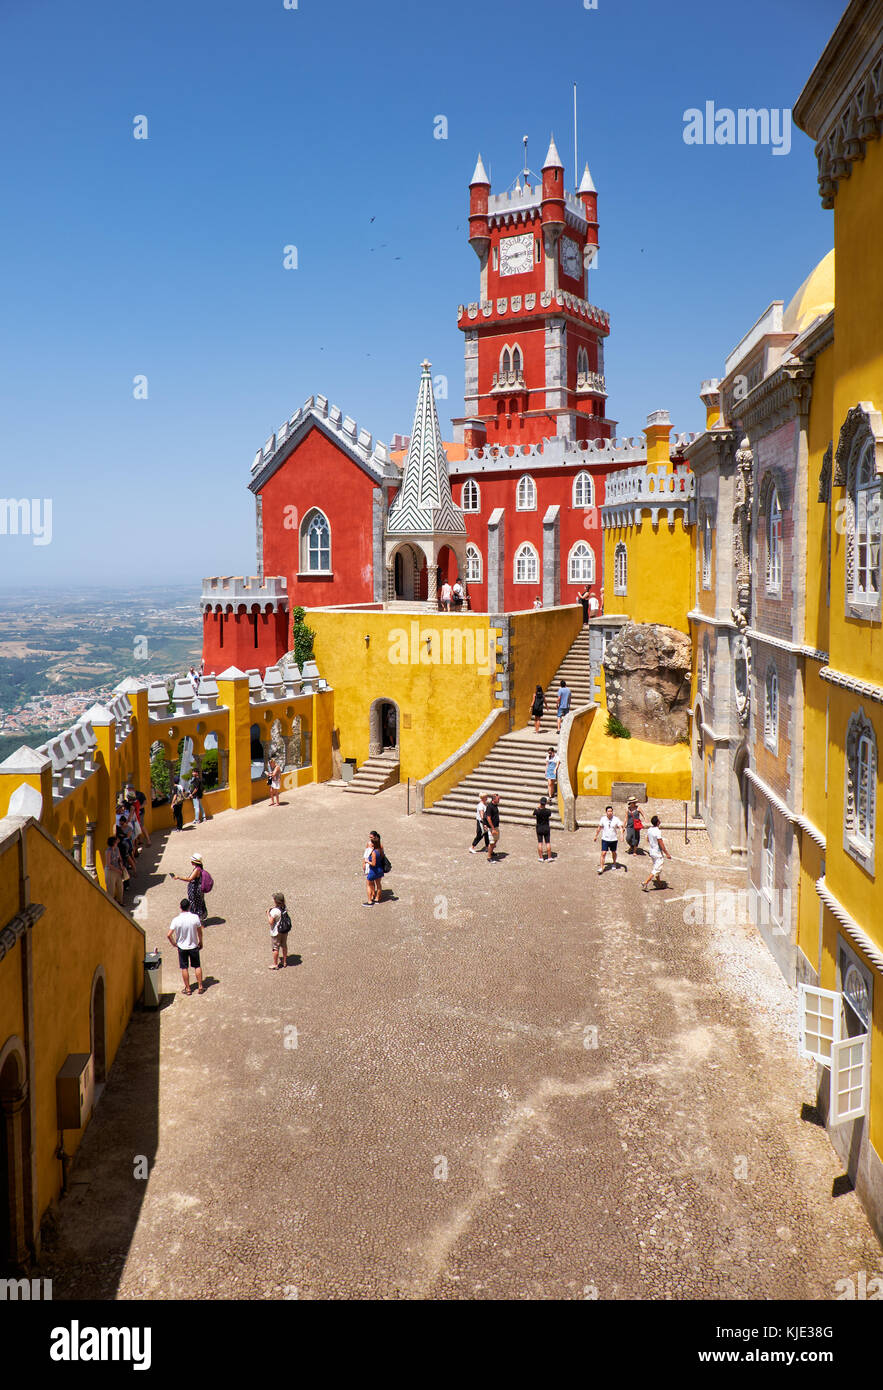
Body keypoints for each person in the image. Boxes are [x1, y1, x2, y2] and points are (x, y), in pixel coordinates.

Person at [168, 898, 204, 995]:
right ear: (190, 907)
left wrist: (173, 943)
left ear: (180, 907)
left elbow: (169, 934)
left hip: (182, 947)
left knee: (184, 968)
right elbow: (199, 931)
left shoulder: (176, 920)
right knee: (197, 966)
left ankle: (188, 989)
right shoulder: (195, 917)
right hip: (193, 946)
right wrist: (200, 942)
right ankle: (200, 987)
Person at [172, 854, 208, 923]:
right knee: (199, 903)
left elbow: (189, 879)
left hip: (195, 890)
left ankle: (198, 922)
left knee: (195, 904)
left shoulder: (197, 870)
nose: (191, 861)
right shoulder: (199, 868)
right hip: (198, 890)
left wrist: (178, 877)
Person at [642, 815, 672, 891]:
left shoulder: (649, 829)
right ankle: (646, 882)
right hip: (657, 852)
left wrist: (652, 843)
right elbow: (661, 843)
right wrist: (667, 853)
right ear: (658, 822)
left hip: (652, 851)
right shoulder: (657, 831)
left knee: (656, 866)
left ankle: (659, 883)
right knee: (657, 869)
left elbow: (647, 839)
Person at [594, 804, 624, 874]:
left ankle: (614, 863)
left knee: (613, 852)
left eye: (611, 811)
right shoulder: (603, 819)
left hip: (613, 839)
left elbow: (620, 827)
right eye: (608, 811)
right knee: (603, 853)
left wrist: (622, 835)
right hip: (605, 839)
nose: (610, 812)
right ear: (606, 812)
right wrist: (596, 836)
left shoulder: (616, 819)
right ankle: (601, 867)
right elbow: (599, 827)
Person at [267, 891, 291, 969]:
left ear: (276, 901)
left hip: (276, 932)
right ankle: (284, 962)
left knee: (275, 948)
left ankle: (275, 964)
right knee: (284, 945)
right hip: (284, 930)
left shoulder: (275, 911)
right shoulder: (285, 907)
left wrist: (268, 914)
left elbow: (271, 922)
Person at [363, 830, 384, 905]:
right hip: (379, 868)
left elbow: (368, 858)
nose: (370, 839)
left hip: (373, 868)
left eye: (371, 838)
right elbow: (382, 856)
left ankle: (370, 900)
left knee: (370, 884)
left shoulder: (374, 851)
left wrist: (367, 862)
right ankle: (376, 898)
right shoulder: (380, 847)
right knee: (378, 883)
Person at [105, 835, 125, 904]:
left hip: (117, 870)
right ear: (113, 842)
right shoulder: (108, 851)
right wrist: (118, 870)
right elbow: (108, 864)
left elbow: (119, 859)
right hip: (111, 871)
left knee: (120, 887)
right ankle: (111, 904)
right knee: (111, 889)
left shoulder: (117, 849)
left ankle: (120, 901)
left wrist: (121, 866)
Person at [532, 796, 553, 861]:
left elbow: (533, 813)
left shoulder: (537, 811)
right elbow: (549, 814)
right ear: (545, 803)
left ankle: (541, 857)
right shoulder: (548, 811)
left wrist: (538, 807)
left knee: (540, 843)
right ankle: (549, 857)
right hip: (546, 827)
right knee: (548, 842)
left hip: (539, 828)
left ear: (540, 803)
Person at [483, 794, 501, 862]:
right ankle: (489, 857)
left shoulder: (495, 805)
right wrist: (493, 828)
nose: (499, 800)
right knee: (492, 842)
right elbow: (488, 818)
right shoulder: (490, 807)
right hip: (492, 828)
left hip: (496, 826)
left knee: (496, 839)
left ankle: (491, 852)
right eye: (498, 799)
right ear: (494, 799)